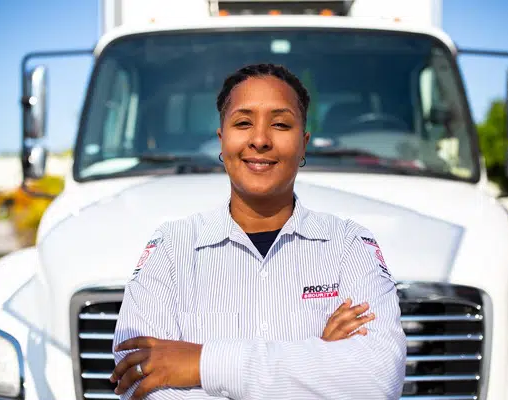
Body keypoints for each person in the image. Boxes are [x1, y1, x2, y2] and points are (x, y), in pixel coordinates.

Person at [110, 63, 407, 399]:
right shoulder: (171, 248)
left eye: (280, 124)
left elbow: (379, 379)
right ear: (222, 140)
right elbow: (135, 376)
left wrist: (202, 363)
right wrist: (317, 368)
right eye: (243, 123)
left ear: (304, 144)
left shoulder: (349, 246)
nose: (261, 140)